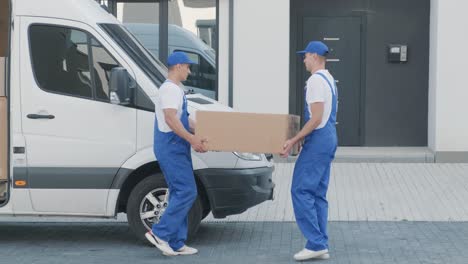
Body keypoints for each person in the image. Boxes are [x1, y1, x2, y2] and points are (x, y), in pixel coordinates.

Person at [281, 41, 338, 261]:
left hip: (319, 140)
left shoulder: (315, 81)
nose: (303, 60)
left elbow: (315, 118)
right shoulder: (329, 78)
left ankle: (315, 242)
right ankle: (320, 243)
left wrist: (294, 138)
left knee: (300, 190)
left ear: (314, 56)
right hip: (328, 137)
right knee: (317, 194)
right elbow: (322, 117)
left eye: (305, 56)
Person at [145, 51, 207, 256]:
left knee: (179, 192)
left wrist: (204, 133)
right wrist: (192, 140)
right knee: (187, 191)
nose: (189, 70)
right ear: (178, 66)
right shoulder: (170, 89)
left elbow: (184, 119)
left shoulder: (175, 89)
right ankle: (159, 233)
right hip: (171, 147)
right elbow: (171, 119)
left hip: (176, 147)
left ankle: (176, 242)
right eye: (187, 67)